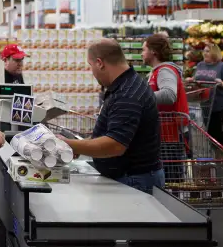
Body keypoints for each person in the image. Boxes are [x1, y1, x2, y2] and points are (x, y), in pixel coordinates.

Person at [60, 39, 164, 195]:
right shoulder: (126, 85)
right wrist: (81, 145)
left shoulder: (127, 94)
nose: (92, 72)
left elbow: (115, 145)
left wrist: (69, 144)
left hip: (134, 181)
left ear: (100, 63)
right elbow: (114, 135)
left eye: (91, 66)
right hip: (132, 177)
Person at [143, 34, 189, 184]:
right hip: (163, 133)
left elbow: (169, 95)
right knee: (168, 179)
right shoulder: (157, 71)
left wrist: (141, 97)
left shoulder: (165, 70)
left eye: (144, 50)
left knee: (171, 181)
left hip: (170, 135)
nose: (141, 54)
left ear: (153, 52)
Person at [191, 44, 223, 148]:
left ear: (215, 53)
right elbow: (196, 77)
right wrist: (192, 80)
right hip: (205, 103)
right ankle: (215, 152)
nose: (205, 53)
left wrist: (222, 83)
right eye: (204, 51)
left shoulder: (222, 66)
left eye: (208, 51)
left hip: (220, 103)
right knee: (209, 130)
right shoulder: (200, 65)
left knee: (216, 129)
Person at [0, 43, 27, 124]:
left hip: (13, 123)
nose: (20, 63)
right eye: (16, 60)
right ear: (5, 60)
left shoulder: (18, 74)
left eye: (22, 59)